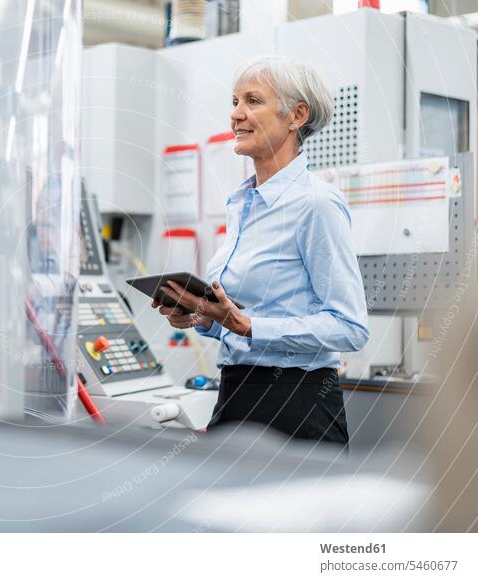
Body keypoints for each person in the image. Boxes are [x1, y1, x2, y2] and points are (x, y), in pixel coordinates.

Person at [153, 55, 369, 446]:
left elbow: (350, 327)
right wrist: (205, 316)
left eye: (252, 101)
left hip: (297, 405)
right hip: (235, 395)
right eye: (234, 102)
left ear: (297, 115)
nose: (236, 115)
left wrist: (245, 324)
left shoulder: (316, 205)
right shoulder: (243, 204)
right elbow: (250, 317)